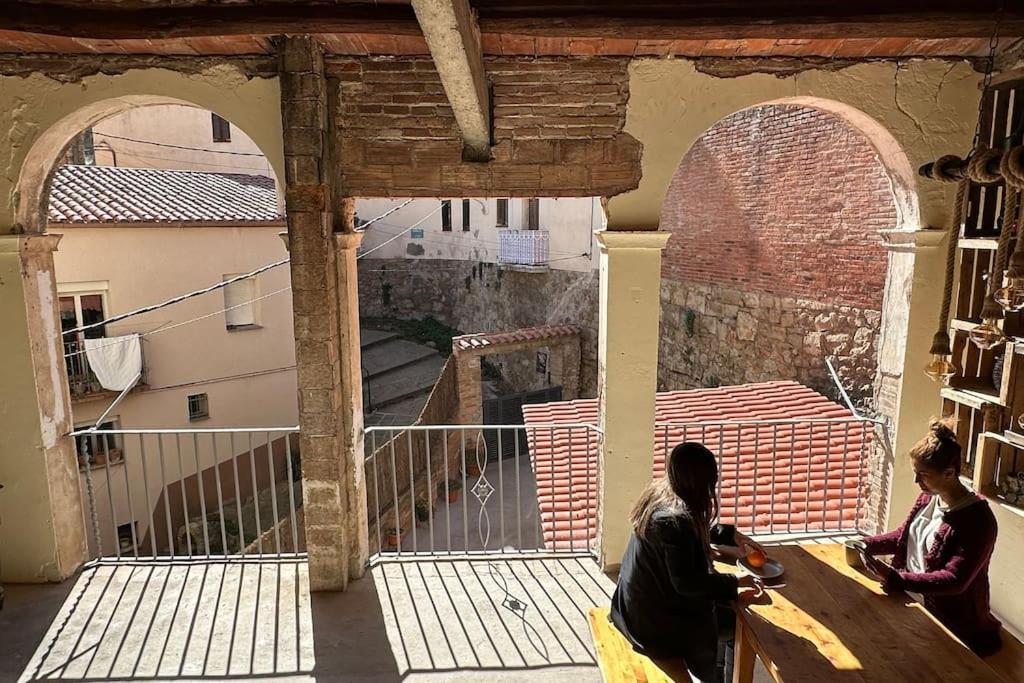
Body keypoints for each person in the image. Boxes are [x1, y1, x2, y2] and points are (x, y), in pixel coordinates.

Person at [610, 442, 765, 683]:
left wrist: (727, 534)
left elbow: (684, 535)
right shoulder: (674, 522)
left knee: (723, 606)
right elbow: (688, 584)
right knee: (735, 624)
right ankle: (720, 677)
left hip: (632, 606)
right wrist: (734, 583)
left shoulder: (659, 494)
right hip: (652, 625)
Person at [861, 418, 1002, 656]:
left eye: (922, 475)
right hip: (914, 602)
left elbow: (954, 580)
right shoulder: (930, 497)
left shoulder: (978, 521)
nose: (917, 481)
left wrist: (897, 578)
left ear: (949, 473)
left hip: (954, 624)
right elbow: (903, 538)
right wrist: (865, 545)